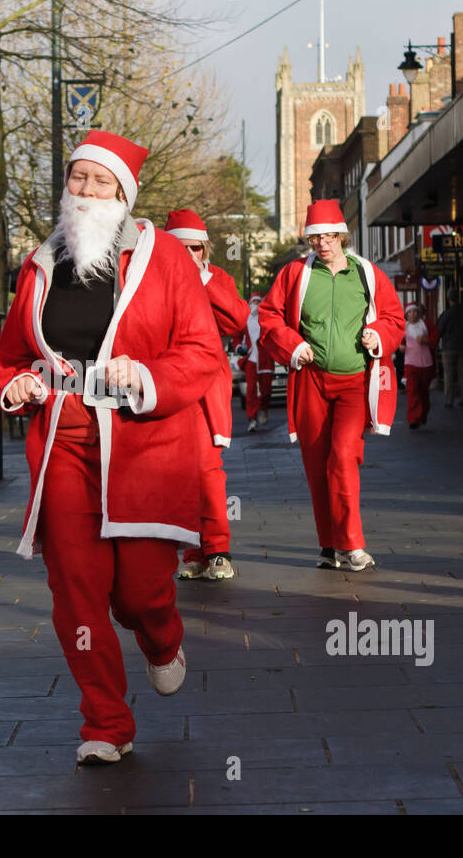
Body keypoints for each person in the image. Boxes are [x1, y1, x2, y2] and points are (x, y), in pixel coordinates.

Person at [0, 130, 222, 764]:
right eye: (78, 179)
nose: (87, 191)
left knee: (140, 592)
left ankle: (161, 637)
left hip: (144, 439)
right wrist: (22, 382)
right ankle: (105, 722)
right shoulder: (40, 264)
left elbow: (203, 352)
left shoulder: (164, 259)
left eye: (102, 181)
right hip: (64, 434)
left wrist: (148, 375)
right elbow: (12, 353)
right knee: (75, 585)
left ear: (125, 193)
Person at [257, 199, 404, 572]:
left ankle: (352, 544)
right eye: (315, 237)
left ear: (341, 235)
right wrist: (295, 345)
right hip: (311, 382)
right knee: (316, 463)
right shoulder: (294, 274)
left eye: (328, 236)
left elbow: (393, 317)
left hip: (355, 382)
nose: (322, 243)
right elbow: (269, 317)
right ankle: (329, 545)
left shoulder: (367, 274)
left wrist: (377, 334)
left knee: (342, 457)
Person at [166, 209, 249, 581]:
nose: (188, 254)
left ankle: (217, 549)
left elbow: (236, 319)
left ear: (205, 250)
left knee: (205, 469)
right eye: (180, 247)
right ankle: (194, 553)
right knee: (176, 474)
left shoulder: (216, 278)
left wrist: (203, 281)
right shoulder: (150, 279)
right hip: (164, 385)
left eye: (195, 248)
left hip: (202, 388)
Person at [234, 295, 274, 431]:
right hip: (251, 358)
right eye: (254, 302)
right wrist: (239, 347)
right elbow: (237, 337)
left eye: (258, 302)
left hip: (265, 358)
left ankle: (264, 408)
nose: (256, 304)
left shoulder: (266, 318)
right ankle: (252, 419)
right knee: (251, 391)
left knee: (266, 390)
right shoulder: (245, 320)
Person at [436, 291, 463, 408]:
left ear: (448, 299)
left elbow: (439, 330)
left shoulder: (446, 314)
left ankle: (449, 401)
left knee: (448, 375)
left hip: (448, 348)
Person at [403, 302, 439, 429]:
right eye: (410, 312)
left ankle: (422, 415)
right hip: (410, 365)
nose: (412, 314)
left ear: (419, 313)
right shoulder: (404, 327)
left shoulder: (426, 325)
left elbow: (436, 336)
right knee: (412, 391)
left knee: (423, 392)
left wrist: (426, 340)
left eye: (415, 312)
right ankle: (413, 418)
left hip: (426, 364)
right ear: (406, 314)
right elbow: (397, 340)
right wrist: (400, 346)